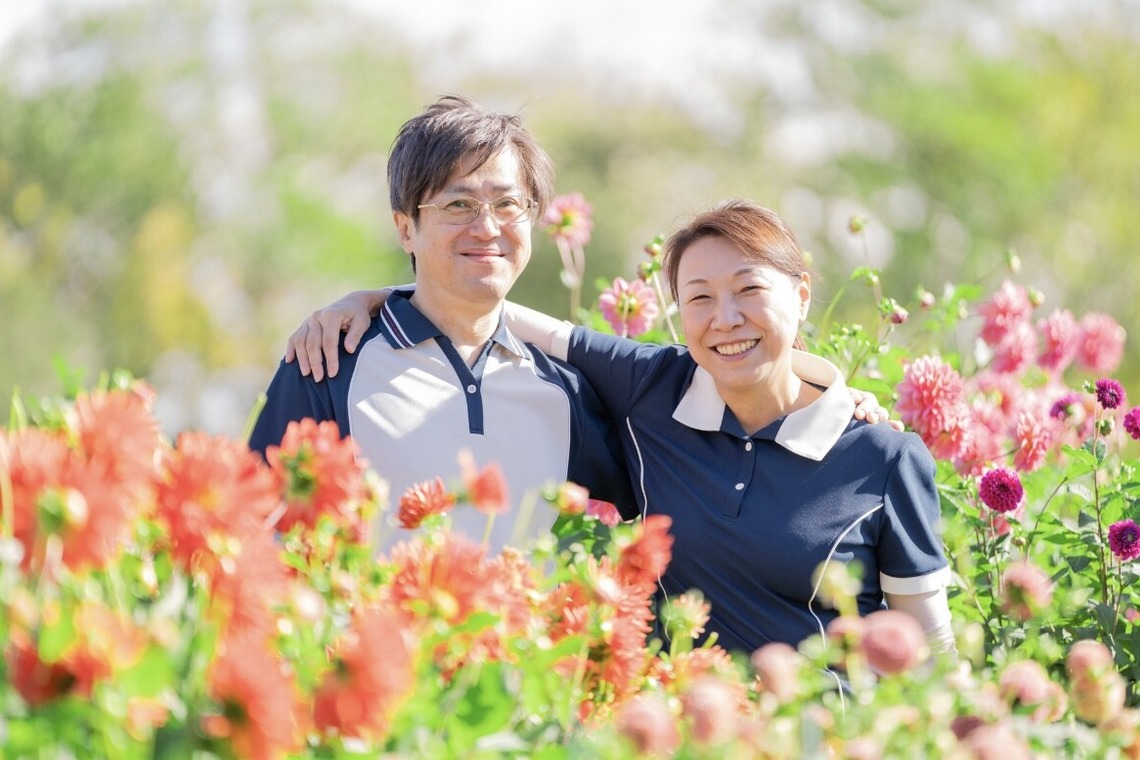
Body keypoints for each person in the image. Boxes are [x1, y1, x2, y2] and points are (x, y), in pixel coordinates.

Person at [287, 199, 954, 657]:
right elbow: (506, 316)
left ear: (802, 295)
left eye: (749, 289)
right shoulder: (655, 388)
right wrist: (371, 300)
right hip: (681, 734)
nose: (725, 318)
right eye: (698, 297)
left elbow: (932, 651)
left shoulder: (883, 456)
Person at [249, 94, 638, 552]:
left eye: (508, 204)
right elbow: (254, 533)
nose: (487, 228)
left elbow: (674, 481)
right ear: (405, 229)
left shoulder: (562, 391)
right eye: (459, 205)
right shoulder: (330, 362)